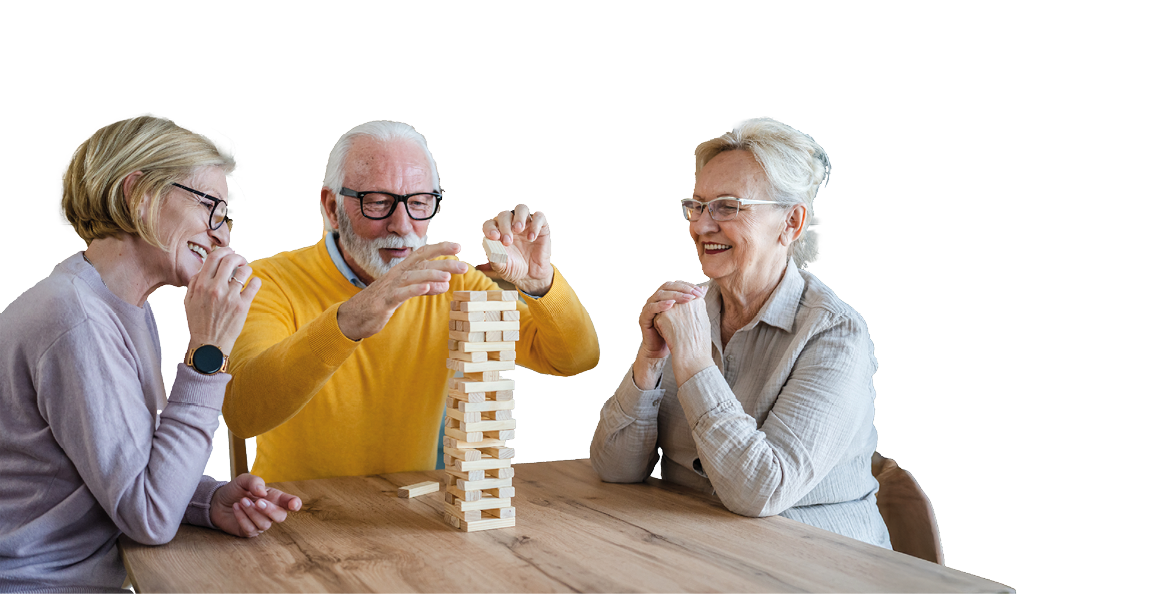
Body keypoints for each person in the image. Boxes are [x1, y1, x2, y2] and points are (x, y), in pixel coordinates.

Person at [0, 113, 302, 592]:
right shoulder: (75, 319)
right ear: (138, 194)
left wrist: (207, 500)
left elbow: (127, 471)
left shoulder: (117, 306)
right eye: (211, 208)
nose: (223, 236)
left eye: (227, 217)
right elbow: (150, 516)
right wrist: (208, 352)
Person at [223, 120, 599, 483]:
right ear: (332, 207)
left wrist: (540, 282)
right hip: (289, 515)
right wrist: (347, 323)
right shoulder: (268, 281)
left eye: (419, 202)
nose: (402, 225)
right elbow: (243, 413)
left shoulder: (452, 281)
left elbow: (574, 359)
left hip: (409, 518)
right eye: (378, 202)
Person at [589, 117, 892, 548]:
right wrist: (649, 362)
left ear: (791, 223)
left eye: (727, 206)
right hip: (697, 551)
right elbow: (613, 469)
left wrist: (693, 362)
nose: (700, 226)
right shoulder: (691, 311)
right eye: (696, 205)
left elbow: (761, 490)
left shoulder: (836, 334)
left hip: (819, 564)